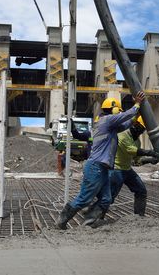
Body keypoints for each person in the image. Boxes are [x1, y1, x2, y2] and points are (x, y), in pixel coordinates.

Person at [56, 91, 145, 229]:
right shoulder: (107, 120)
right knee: (84, 199)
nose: (118, 113)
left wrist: (137, 116)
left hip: (102, 168)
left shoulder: (107, 125)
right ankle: (61, 222)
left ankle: (88, 223)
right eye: (118, 111)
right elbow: (125, 116)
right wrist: (137, 104)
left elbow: (126, 124)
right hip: (95, 167)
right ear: (114, 110)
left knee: (106, 199)